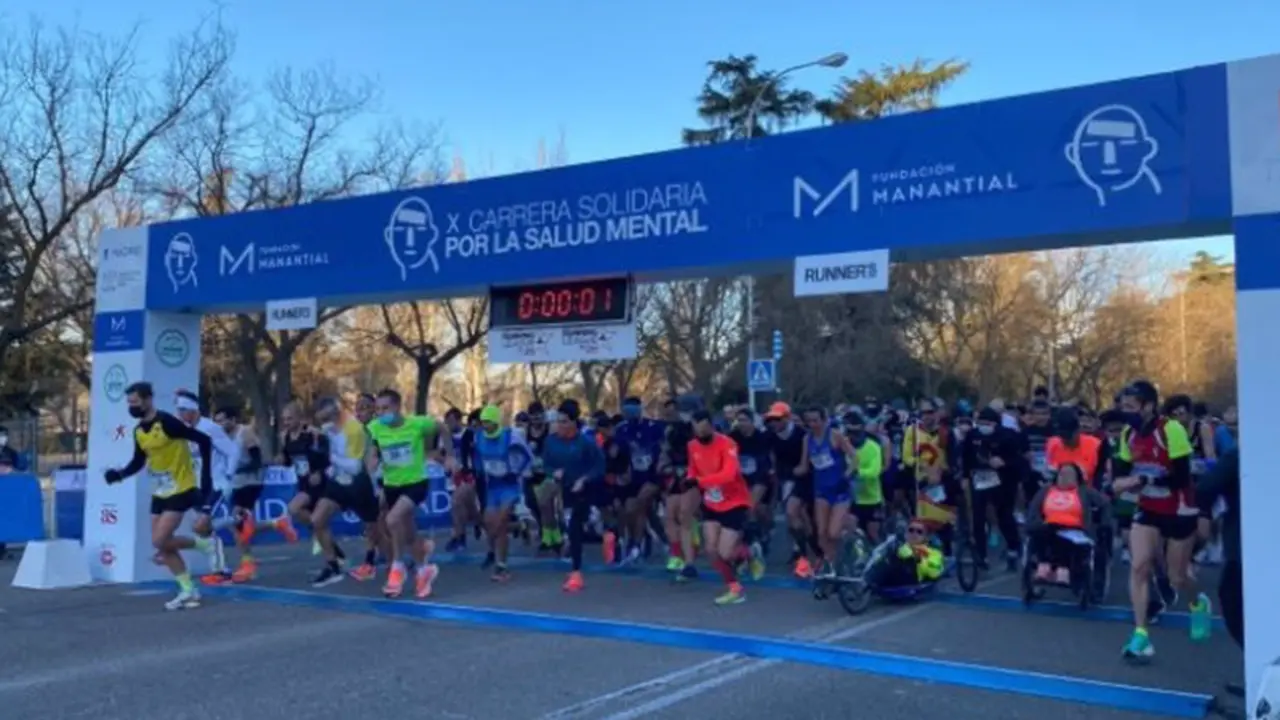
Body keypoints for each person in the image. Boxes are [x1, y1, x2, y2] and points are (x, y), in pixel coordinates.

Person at [1113, 380, 1208, 661]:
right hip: (1148, 508)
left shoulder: (1170, 429)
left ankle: (1197, 604)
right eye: (1123, 407)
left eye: (1131, 406)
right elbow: (1120, 470)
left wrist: (1144, 479)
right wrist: (1119, 483)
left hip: (1179, 509)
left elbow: (1181, 477)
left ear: (1149, 406)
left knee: (1178, 577)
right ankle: (1141, 635)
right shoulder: (1128, 434)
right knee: (1139, 566)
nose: (1126, 412)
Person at [102, 382, 216, 610]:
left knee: (159, 541)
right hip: (160, 491)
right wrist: (120, 474)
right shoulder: (139, 431)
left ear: (147, 400)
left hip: (181, 487)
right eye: (129, 403)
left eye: (135, 402)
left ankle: (203, 544)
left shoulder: (167, 423)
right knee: (164, 547)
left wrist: (204, 481)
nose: (131, 407)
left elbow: (204, 440)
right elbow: (139, 461)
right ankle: (188, 590)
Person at [365, 388, 451, 599]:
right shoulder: (375, 427)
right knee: (409, 534)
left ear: (397, 406)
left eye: (385, 408)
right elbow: (373, 450)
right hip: (392, 485)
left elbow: (443, 428)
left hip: (416, 482)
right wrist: (372, 462)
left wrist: (449, 455)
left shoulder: (418, 424)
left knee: (392, 519)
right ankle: (424, 570)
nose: (381, 413)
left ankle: (397, 567)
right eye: (378, 409)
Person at [308, 397, 382, 589]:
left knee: (372, 525)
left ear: (335, 413)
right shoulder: (329, 429)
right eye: (321, 420)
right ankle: (332, 565)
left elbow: (355, 466)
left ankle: (372, 559)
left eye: (325, 418)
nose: (323, 423)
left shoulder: (354, 429)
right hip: (338, 483)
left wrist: (331, 459)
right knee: (317, 520)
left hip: (359, 482)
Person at [688, 410, 755, 604]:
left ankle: (747, 552)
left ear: (711, 425)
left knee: (725, 552)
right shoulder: (692, 446)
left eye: (704, 429)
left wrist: (700, 481)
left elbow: (729, 474)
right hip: (711, 502)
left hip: (734, 501)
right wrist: (688, 478)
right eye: (697, 430)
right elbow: (693, 468)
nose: (701, 435)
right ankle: (735, 588)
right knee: (710, 549)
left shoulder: (727, 444)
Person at [540, 400, 605, 592]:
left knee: (575, 527)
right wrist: (553, 473)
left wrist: (584, 479)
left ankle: (576, 573)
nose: (560, 426)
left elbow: (599, 466)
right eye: (558, 422)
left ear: (574, 423)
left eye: (565, 422)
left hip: (584, 489)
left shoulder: (586, 443)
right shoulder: (550, 442)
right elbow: (546, 465)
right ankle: (601, 527)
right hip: (565, 488)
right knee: (572, 524)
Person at [1195, 446, 1242, 697]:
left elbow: (1206, 487)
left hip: (1246, 541)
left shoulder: (1241, 453)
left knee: (1235, 602)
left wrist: (1205, 512)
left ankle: (1263, 673)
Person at [472, 404, 533, 582]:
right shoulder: (479, 438)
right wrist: (478, 473)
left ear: (496, 421)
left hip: (510, 485)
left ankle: (502, 566)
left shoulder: (511, 436)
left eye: (489, 422)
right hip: (493, 485)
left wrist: (517, 471)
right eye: (483, 422)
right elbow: (478, 458)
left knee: (499, 523)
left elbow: (527, 456)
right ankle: (520, 527)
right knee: (489, 523)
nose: (485, 425)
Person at [1024, 463, 1111, 585]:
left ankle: (1063, 570)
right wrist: (1035, 521)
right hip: (1049, 526)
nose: (1065, 477)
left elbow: (1104, 503)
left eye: (1069, 474)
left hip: (1076, 528)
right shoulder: (1046, 490)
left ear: (1077, 478)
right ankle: (1043, 566)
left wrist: (1103, 523)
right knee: (1039, 533)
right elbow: (1034, 508)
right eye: (1062, 474)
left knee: (1066, 537)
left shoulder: (1085, 491)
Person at [962, 407, 1022, 571]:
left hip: (1004, 479)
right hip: (980, 477)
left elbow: (1019, 460)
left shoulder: (1009, 436)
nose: (984, 426)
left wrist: (1004, 462)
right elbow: (966, 457)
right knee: (978, 516)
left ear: (996, 424)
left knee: (1004, 515)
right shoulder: (972, 435)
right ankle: (981, 555)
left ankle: (1013, 546)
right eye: (981, 423)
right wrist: (965, 477)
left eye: (987, 423)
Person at [614, 396, 665, 565]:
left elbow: (663, 449)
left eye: (632, 409)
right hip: (633, 477)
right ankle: (646, 537)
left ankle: (636, 546)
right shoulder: (621, 430)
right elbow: (619, 455)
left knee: (642, 504)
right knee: (630, 511)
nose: (629, 413)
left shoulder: (654, 427)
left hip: (652, 476)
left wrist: (661, 467)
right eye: (626, 410)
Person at [659, 395, 701, 581]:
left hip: (697, 477)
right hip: (675, 475)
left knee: (685, 515)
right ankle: (679, 555)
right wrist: (664, 467)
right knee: (669, 515)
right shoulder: (672, 430)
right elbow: (665, 451)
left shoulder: (703, 429)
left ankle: (689, 561)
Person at [844, 412, 885, 543]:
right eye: (850, 432)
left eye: (856, 433)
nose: (853, 437)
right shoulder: (843, 446)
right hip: (852, 500)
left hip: (872, 499)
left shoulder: (873, 447)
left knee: (873, 535)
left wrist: (855, 472)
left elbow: (875, 471)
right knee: (850, 534)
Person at [871, 519, 944, 588]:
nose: (914, 534)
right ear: (905, 534)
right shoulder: (896, 546)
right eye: (911, 530)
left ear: (926, 537)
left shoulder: (932, 552)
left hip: (910, 579)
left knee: (904, 558)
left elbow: (934, 574)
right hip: (890, 575)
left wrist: (918, 559)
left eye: (919, 532)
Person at [1045, 407, 1103, 487]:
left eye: (1068, 436)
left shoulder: (1095, 445)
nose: (1065, 440)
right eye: (1062, 436)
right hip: (1058, 493)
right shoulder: (1053, 444)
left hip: (1085, 492)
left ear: (1078, 430)